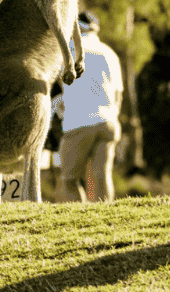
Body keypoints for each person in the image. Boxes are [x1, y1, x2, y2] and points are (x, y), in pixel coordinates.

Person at [53, 11, 125, 202]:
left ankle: (82, 222)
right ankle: (106, 222)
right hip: (108, 122)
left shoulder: (67, 50)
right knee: (102, 176)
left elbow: (61, 84)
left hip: (79, 123)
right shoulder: (110, 53)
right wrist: (112, 116)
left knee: (68, 180)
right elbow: (118, 93)